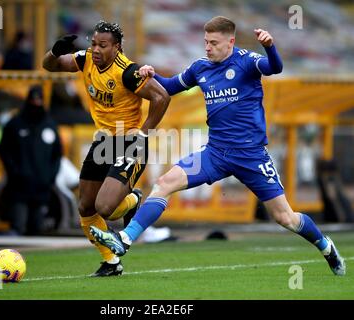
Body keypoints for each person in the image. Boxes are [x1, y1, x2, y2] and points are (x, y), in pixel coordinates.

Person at [90, 16, 346, 276]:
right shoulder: (200, 67)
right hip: (215, 153)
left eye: (213, 42)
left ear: (230, 42)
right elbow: (169, 86)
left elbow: (274, 67)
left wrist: (269, 46)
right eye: (205, 42)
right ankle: (124, 239)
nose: (208, 47)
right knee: (165, 183)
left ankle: (326, 246)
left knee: (285, 218)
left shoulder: (247, 62)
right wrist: (151, 73)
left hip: (251, 156)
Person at [43, 20, 170, 276]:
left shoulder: (128, 72)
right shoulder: (86, 59)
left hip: (130, 143)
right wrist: (55, 51)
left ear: (117, 47)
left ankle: (133, 199)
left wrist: (144, 133)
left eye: (103, 45)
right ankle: (111, 262)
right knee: (85, 207)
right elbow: (50, 66)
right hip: (104, 142)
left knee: (104, 208)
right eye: (93, 44)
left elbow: (162, 97)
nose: (96, 49)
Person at [0, 85, 62, 235]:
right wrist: (14, 172)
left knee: (38, 229)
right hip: (19, 188)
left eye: (39, 100)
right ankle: (13, 259)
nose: (36, 103)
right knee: (18, 227)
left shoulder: (50, 125)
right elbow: (4, 150)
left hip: (41, 189)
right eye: (33, 100)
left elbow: (57, 155)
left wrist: (50, 177)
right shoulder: (15, 124)